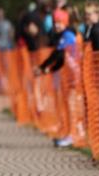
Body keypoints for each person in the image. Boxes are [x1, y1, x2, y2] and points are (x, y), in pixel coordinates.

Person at [33, 9, 79, 147]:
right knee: (68, 104)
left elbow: (58, 55)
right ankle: (70, 133)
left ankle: (73, 135)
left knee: (72, 105)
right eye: (55, 23)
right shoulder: (63, 35)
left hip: (75, 75)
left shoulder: (68, 35)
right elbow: (59, 59)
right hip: (70, 75)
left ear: (65, 23)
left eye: (60, 22)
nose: (57, 26)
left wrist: (43, 68)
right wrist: (46, 69)